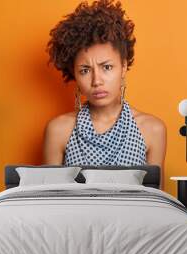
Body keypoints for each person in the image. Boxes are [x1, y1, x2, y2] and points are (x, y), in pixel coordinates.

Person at [43, 0, 167, 189]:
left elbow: (156, 204)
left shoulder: (152, 129)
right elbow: (50, 202)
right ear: (74, 74)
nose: (96, 80)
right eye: (85, 70)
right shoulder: (59, 130)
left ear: (123, 66)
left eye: (107, 67)